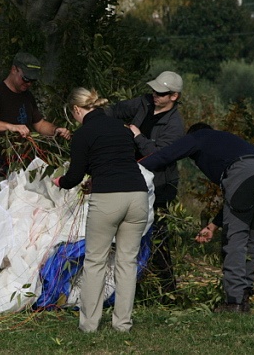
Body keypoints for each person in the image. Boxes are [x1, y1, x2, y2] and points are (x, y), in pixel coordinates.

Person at [139, 123, 254, 313]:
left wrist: (132, 168)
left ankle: (234, 301)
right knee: (249, 239)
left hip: (244, 172)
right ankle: (244, 296)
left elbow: (165, 155)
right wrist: (213, 226)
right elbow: (235, 201)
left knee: (235, 240)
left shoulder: (199, 136)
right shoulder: (227, 143)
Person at [52, 88, 149, 332]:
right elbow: (118, 161)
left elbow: (74, 176)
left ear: (76, 109)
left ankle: (89, 324)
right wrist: (96, 178)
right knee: (127, 262)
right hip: (138, 196)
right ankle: (122, 324)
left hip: (108, 200)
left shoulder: (83, 134)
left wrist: (60, 181)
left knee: (95, 261)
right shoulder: (121, 128)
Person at [104, 71, 184, 300]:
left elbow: (159, 156)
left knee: (157, 236)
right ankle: (123, 284)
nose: (155, 95)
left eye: (162, 93)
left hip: (159, 185)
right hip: (132, 178)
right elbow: (113, 110)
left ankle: (167, 288)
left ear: (174, 96)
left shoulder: (175, 125)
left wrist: (137, 136)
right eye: (154, 91)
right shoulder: (143, 103)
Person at [0, 52, 71, 217]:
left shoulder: (27, 97)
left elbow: (39, 124)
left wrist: (56, 130)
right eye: (25, 79)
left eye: (32, 81)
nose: (28, 84)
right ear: (14, 70)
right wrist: (10, 127)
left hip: (17, 168)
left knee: (19, 217)